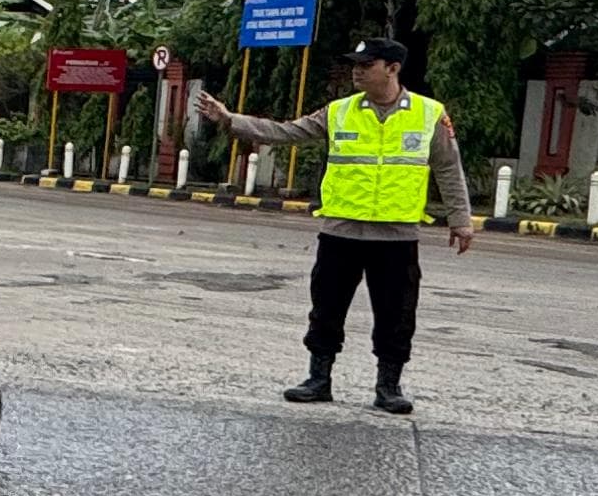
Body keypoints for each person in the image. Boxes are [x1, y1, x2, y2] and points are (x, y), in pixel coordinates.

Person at [195, 36, 474, 414]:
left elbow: (448, 168)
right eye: (355, 64)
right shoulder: (339, 111)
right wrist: (231, 120)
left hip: (396, 235)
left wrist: (460, 220)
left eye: (366, 65)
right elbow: (287, 132)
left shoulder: (429, 114)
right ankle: (318, 378)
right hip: (340, 231)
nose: (357, 71)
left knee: (396, 314)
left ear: (392, 69)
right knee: (326, 308)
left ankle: (388, 386)